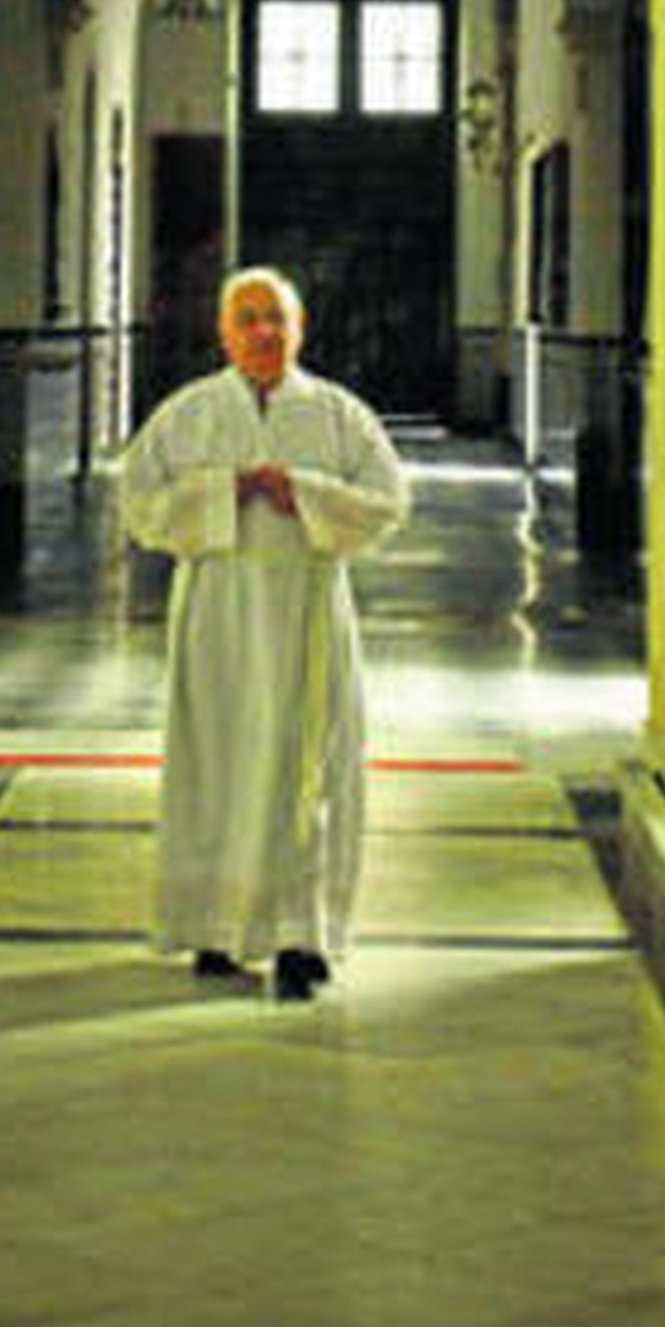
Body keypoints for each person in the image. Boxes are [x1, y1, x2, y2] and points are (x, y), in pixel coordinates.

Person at [121, 266, 408, 1001]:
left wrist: (304, 493)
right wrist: (224, 491)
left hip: (307, 611)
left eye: (276, 318)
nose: (263, 332)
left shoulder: (338, 414)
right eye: (247, 318)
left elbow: (387, 502)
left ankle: (299, 934)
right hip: (218, 611)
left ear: (300, 329)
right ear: (223, 330)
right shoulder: (189, 414)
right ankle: (217, 928)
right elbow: (141, 502)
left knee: (303, 770)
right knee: (216, 760)